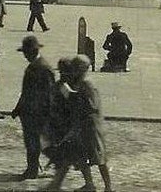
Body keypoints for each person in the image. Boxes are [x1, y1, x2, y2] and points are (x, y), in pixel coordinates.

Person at [47, 55, 113, 192]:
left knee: (99, 158)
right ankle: (89, 184)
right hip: (83, 126)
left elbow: (92, 105)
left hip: (92, 126)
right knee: (81, 156)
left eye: (75, 68)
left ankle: (108, 187)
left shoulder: (87, 83)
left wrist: (70, 94)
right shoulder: (80, 82)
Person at [8, 35, 56, 179]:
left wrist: (48, 113)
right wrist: (18, 108)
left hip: (38, 113)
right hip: (29, 112)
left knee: (39, 143)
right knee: (32, 142)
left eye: (26, 52)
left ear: (33, 51)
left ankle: (61, 165)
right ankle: (32, 169)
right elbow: (26, 92)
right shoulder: (34, 66)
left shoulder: (43, 67)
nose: (24, 55)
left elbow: (49, 93)